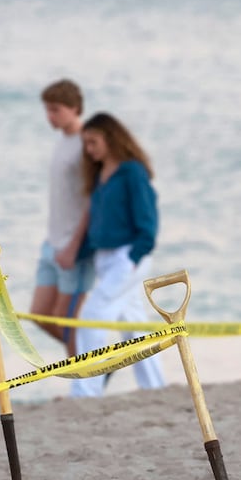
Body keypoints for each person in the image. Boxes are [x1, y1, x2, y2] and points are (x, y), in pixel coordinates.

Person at [69, 112, 165, 398]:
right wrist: (77, 254)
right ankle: (156, 389)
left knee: (92, 315)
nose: (89, 149)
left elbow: (148, 220)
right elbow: (101, 224)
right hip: (105, 259)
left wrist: (134, 256)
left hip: (128, 256)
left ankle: (86, 391)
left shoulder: (132, 172)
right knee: (133, 326)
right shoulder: (100, 177)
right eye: (86, 143)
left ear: (111, 138)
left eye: (93, 142)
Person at [32, 80, 93, 354]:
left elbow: (94, 200)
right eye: (47, 110)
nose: (49, 116)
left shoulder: (86, 145)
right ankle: (95, 362)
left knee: (67, 321)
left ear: (75, 108)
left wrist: (73, 246)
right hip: (52, 242)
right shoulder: (62, 141)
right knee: (40, 315)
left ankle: (83, 385)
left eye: (55, 110)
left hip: (74, 246)